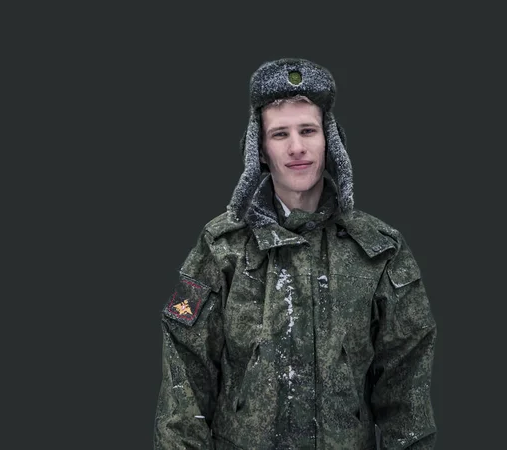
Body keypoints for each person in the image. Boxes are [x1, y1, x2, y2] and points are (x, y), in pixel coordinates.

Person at [154, 58, 437, 449]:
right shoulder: (221, 248)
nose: (297, 147)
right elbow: (184, 386)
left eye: (308, 130)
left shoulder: (378, 250)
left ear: (329, 141)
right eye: (280, 134)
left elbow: (406, 396)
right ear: (261, 150)